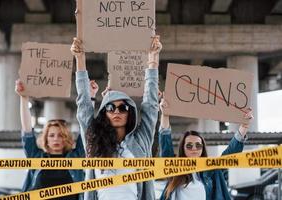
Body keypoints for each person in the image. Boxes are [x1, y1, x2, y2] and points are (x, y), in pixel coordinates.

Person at [71, 35, 162, 200]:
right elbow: (83, 105)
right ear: (105, 113)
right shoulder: (94, 139)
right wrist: (80, 58)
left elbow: (150, 107)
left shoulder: (141, 140)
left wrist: (153, 59)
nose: (117, 112)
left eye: (123, 108)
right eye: (111, 107)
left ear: (130, 113)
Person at [15, 79, 98, 200]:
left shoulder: (76, 157)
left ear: (66, 139)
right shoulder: (36, 157)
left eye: (61, 135)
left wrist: (90, 97)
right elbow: (27, 131)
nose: (56, 139)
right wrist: (24, 98)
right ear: (46, 139)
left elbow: (86, 128)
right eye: (52, 135)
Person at [158, 98, 253, 200]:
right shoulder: (174, 168)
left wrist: (244, 126)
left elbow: (230, 154)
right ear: (183, 148)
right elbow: (165, 144)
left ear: (202, 149)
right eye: (189, 145)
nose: (194, 148)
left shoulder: (211, 170)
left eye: (198, 145)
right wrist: (165, 115)